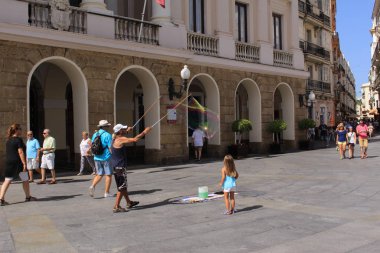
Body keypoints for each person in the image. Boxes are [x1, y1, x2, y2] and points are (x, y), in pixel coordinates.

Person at [110, 124, 151, 213]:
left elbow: (121, 135)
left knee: (123, 187)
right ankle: (116, 206)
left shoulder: (113, 139)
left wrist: (128, 130)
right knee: (121, 188)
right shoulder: (120, 139)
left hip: (115, 166)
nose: (125, 130)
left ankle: (129, 202)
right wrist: (144, 132)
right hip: (120, 167)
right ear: (120, 131)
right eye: (123, 129)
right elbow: (135, 139)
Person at [1, 124, 36, 206]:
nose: (21, 130)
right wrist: (24, 163)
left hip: (9, 162)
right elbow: (20, 152)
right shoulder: (18, 140)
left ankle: (1, 199)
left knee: (7, 180)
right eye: (20, 129)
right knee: (25, 179)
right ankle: (28, 197)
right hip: (18, 162)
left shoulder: (8, 140)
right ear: (16, 130)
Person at [89, 120, 114, 198]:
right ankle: (106, 192)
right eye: (107, 126)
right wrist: (113, 155)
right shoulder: (108, 135)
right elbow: (110, 147)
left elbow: (92, 145)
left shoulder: (95, 134)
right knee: (108, 175)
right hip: (106, 157)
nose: (108, 127)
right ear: (105, 127)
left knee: (99, 174)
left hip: (97, 157)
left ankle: (92, 186)